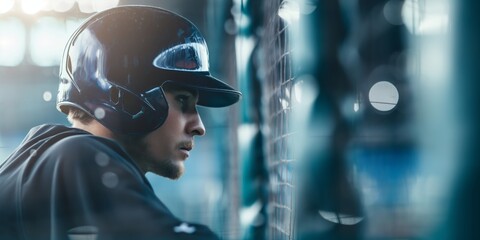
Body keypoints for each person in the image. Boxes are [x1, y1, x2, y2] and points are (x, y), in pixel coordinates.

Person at [0, 5, 241, 240]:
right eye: (182, 101)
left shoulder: (42, 157)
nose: (199, 126)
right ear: (126, 98)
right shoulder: (79, 157)